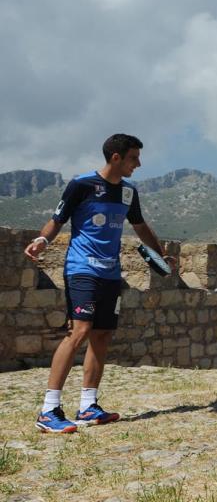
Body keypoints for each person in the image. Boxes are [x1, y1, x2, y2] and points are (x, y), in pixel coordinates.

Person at [24, 134, 174, 433]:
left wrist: (160, 254)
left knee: (102, 335)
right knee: (78, 332)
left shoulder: (129, 193)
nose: (139, 164)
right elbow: (58, 219)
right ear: (116, 157)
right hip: (82, 269)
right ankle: (49, 409)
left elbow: (140, 226)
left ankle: (88, 405)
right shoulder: (81, 185)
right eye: (134, 158)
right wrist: (42, 239)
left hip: (110, 273)